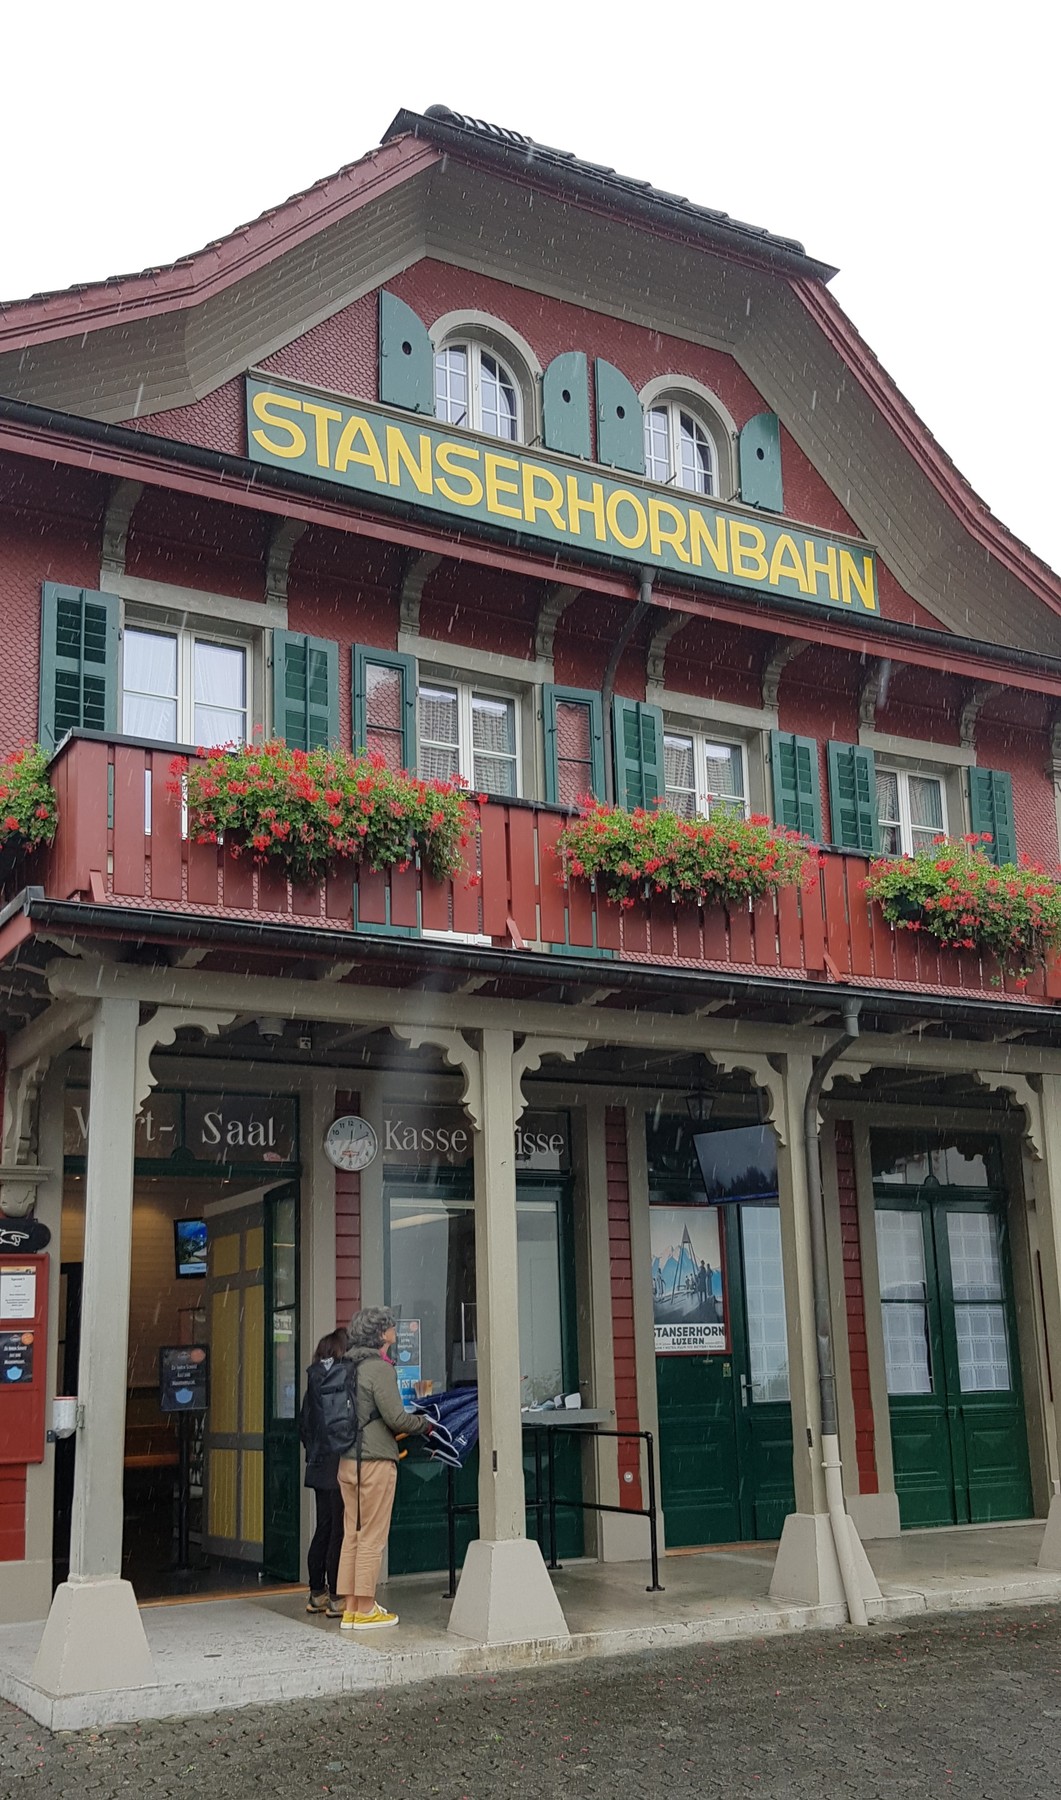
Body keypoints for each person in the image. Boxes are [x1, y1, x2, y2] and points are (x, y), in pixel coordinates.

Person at [337, 1307, 434, 1631]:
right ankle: (366, 1610)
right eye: (391, 1326)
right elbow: (396, 1418)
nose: (395, 1330)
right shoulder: (379, 1368)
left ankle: (351, 1608)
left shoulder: (347, 1364)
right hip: (374, 1461)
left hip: (347, 1461)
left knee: (352, 1534)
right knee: (372, 1536)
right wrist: (426, 1425)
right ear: (382, 1334)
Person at [298, 1328, 349, 1618]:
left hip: (318, 1463)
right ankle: (338, 1595)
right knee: (338, 1531)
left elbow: (303, 1425)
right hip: (337, 1462)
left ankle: (317, 1591)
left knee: (324, 1528)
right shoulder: (338, 1383)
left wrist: (315, 1450)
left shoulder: (313, 1383)